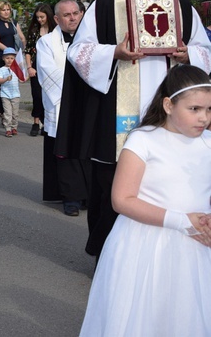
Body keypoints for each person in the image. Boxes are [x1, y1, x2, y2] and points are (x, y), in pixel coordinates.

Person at [59, 0, 211, 258]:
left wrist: (188, 55)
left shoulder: (181, 5)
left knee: (160, 185)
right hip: (116, 114)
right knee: (111, 188)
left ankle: (155, 254)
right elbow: (79, 52)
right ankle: (107, 256)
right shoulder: (105, 3)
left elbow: (206, 51)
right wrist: (116, 51)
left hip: (169, 117)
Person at [79, 65, 211, 335]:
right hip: (145, 243)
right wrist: (180, 221)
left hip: (196, 243)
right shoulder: (143, 140)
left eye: (209, 110)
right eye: (194, 109)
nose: (204, 118)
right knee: (144, 314)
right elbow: (122, 199)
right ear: (168, 105)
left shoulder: (208, 142)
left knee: (185, 314)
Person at [36, 0, 90, 215]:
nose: (73, 18)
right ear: (57, 19)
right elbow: (47, 71)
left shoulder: (92, 40)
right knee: (66, 151)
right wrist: (77, 88)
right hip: (62, 103)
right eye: (67, 15)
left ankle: (88, 195)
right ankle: (71, 198)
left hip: (89, 102)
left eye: (76, 13)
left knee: (88, 150)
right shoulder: (46, 42)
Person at [0, 0, 26, 118]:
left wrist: (21, 50)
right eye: (3, 10)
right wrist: (10, 51)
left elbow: (22, 37)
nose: (6, 12)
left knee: (12, 81)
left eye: (8, 10)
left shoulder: (14, 23)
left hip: (13, 57)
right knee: (0, 82)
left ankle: (9, 108)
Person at [24, 4, 56, 136]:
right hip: (36, 66)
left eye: (42, 17)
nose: (40, 20)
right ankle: (36, 122)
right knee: (37, 95)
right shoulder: (34, 31)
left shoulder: (55, 31)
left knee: (48, 96)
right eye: (37, 17)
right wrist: (29, 67)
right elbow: (27, 51)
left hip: (51, 67)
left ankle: (46, 123)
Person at [0, 47, 21, 137]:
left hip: (15, 94)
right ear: (3, 58)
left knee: (15, 113)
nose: (9, 60)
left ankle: (14, 127)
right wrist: (6, 79)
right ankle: (8, 128)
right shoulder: (1, 70)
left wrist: (26, 76)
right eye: (7, 58)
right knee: (8, 113)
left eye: (12, 58)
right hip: (5, 94)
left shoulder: (16, 69)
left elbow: (21, 79)